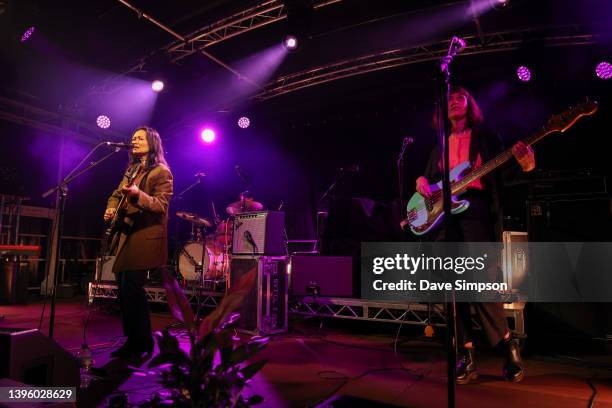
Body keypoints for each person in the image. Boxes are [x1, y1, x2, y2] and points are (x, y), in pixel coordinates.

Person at [415, 86, 535, 384]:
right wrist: (421, 180)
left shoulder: (486, 138)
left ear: (470, 104)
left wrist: (526, 166)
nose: (454, 101)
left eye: (460, 97)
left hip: (476, 215)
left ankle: (508, 343)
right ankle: (466, 355)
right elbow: (430, 183)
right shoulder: (439, 145)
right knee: (451, 291)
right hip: (445, 222)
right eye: (450, 98)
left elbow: (505, 175)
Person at [103, 126, 173, 359]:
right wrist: (112, 208)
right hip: (127, 235)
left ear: (152, 142)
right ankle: (134, 339)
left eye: (140, 138)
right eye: (133, 138)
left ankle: (142, 341)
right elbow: (115, 193)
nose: (135, 141)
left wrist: (136, 195)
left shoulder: (161, 172)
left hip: (145, 236)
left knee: (132, 287)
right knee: (124, 289)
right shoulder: (132, 169)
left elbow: (160, 205)